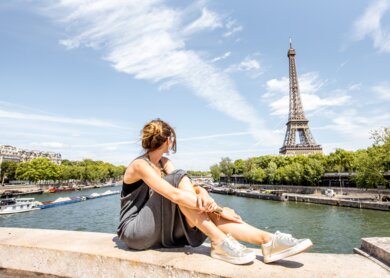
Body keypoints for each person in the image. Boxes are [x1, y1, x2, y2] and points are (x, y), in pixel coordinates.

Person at [117, 119, 313, 265]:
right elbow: (175, 193)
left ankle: (268, 241)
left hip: (157, 228)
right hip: (135, 232)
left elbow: (186, 188)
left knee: (191, 198)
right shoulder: (139, 165)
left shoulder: (164, 163)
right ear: (169, 140)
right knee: (181, 182)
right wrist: (218, 208)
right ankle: (219, 241)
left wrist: (201, 191)